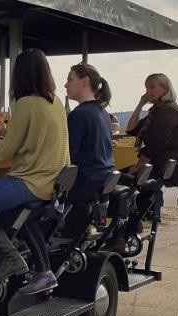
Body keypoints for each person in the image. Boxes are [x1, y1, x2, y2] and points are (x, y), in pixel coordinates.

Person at [0, 48, 70, 294]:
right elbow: (32, 135)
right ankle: (28, 268)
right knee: (3, 221)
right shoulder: (55, 102)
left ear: (19, 75)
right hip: (52, 183)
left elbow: (4, 151)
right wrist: (0, 130)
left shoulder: (25, 103)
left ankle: (12, 259)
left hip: (30, 181)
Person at [105, 73, 178, 253]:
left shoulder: (166, 111)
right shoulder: (158, 110)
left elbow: (155, 146)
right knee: (125, 180)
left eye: (152, 87)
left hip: (159, 165)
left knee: (118, 182)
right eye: (146, 87)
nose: (148, 91)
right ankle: (131, 226)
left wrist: (137, 167)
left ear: (164, 89)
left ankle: (120, 234)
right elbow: (131, 129)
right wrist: (141, 104)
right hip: (161, 165)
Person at [62, 63, 114, 239]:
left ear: (85, 81)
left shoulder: (79, 114)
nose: (65, 84)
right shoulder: (102, 112)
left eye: (70, 79)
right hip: (100, 180)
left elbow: (69, 156)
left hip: (83, 183)